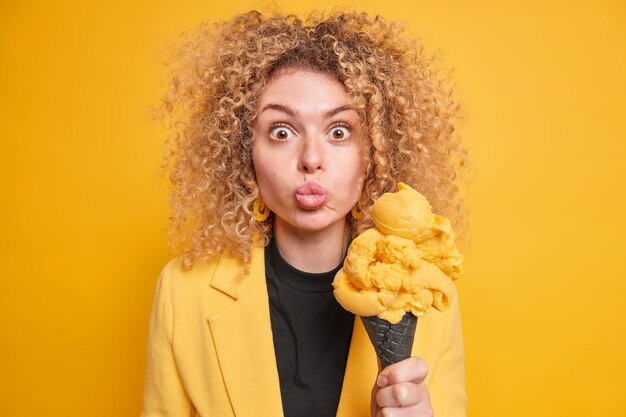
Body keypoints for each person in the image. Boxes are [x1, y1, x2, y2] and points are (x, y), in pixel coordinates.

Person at [141, 10, 468, 417]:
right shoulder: (182, 293)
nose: (311, 159)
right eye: (282, 132)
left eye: (339, 132)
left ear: (376, 155)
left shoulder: (429, 297)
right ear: (245, 153)